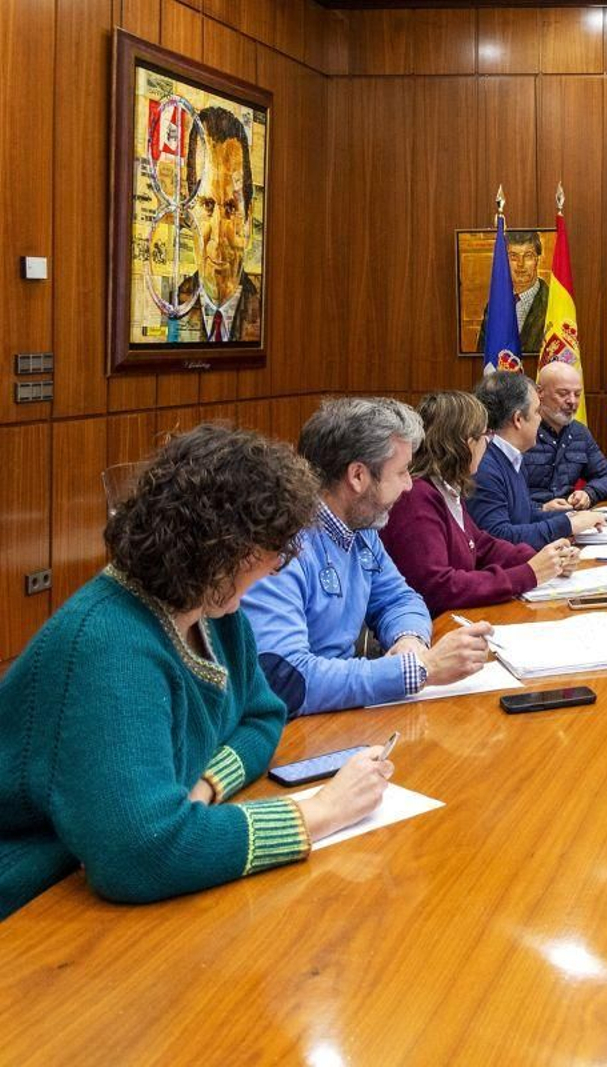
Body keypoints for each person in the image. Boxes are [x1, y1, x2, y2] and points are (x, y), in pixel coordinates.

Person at [0, 425, 392, 919]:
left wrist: (205, 786)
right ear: (216, 548)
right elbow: (139, 854)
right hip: (34, 903)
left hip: (101, 879)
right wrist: (322, 812)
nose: (273, 569)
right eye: (265, 554)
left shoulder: (213, 609)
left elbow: (263, 715)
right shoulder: (108, 644)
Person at [241, 397, 494, 716]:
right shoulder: (280, 543)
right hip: (293, 729)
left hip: (342, 712)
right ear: (358, 476)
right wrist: (417, 670)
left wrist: (410, 640)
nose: (408, 487)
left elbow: (399, 599)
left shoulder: (362, 530)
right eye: (401, 472)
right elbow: (287, 679)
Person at [382, 391, 580, 616]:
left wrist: (542, 559)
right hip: (434, 630)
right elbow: (438, 588)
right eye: (486, 435)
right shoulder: (416, 498)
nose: (488, 443)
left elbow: (481, 545)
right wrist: (527, 573)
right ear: (466, 443)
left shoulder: (446, 488)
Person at [469, 371, 607, 549]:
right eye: (536, 412)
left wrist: (572, 516)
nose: (540, 418)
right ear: (518, 419)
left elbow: (522, 517)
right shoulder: (485, 466)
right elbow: (497, 537)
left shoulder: (511, 457)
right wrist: (567, 525)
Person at [176, 107, 261, 343]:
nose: (218, 236)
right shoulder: (171, 309)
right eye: (207, 205)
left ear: (248, 217)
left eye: (232, 207)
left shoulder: (268, 315)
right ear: (187, 209)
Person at [525, 361, 607, 510]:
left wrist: (588, 494)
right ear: (539, 393)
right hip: (527, 522)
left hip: (569, 518)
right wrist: (540, 508)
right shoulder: (522, 431)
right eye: (563, 394)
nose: (572, 401)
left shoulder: (579, 433)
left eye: (577, 394)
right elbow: (502, 495)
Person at [475, 230, 548, 355]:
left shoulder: (552, 303)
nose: (520, 264)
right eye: (513, 256)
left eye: (528, 256)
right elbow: (482, 355)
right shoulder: (494, 306)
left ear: (538, 260)